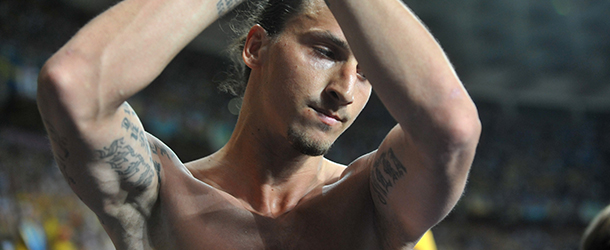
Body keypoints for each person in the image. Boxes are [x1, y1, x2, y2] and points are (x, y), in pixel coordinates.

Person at [36, 0, 481, 249]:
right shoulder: (160, 199)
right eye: (325, 52)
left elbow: (452, 130)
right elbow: (71, 83)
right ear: (255, 47)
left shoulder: (373, 206)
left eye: (367, 74)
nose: (345, 90)